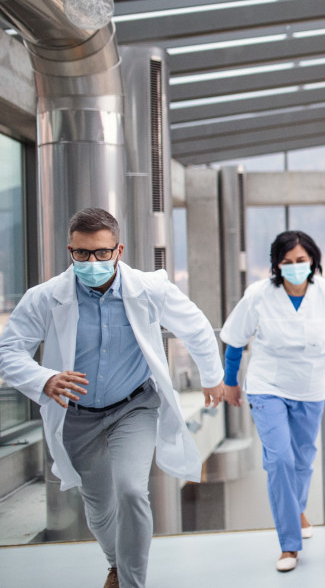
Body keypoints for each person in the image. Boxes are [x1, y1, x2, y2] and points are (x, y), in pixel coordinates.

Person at [0, 208, 225, 588]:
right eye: (83, 254)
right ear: (70, 250)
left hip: (133, 407)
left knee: (132, 489)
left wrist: (212, 377)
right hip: (76, 415)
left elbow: (197, 326)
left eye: (102, 253)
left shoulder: (148, 289)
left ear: (118, 250)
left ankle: (132, 583)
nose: (93, 262)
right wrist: (45, 378)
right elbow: (9, 351)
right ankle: (116, 566)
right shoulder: (45, 297)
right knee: (100, 507)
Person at [220, 231, 325, 572]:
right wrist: (230, 382)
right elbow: (235, 340)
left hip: (310, 388)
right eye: (287, 262)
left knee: (303, 460)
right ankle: (289, 545)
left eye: (301, 261)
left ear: (313, 261)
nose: (295, 267)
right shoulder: (259, 295)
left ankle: (296, 510)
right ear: (277, 265)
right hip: (268, 386)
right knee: (279, 459)